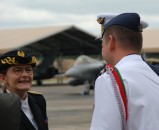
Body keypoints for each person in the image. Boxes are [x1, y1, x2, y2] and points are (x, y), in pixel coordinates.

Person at [90, 13, 159, 130]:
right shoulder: (155, 75)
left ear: (111, 42)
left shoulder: (110, 80)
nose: (102, 47)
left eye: (102, 43)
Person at [0, 50, 48, 130]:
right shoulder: (2, 107)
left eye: (28, 70)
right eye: (18, 70)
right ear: (3, 78)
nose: (25, 75)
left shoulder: (38, 99)